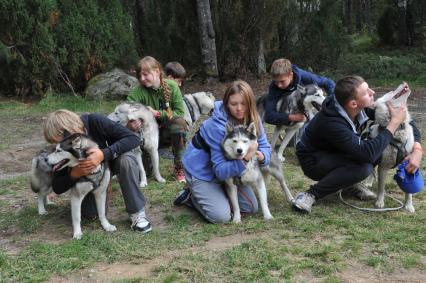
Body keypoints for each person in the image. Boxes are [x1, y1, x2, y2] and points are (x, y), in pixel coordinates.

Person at [293, 75, 423, 213]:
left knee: (374, 148)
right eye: (367, 92)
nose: (372, 93)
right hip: (313, 159)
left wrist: (417, 149)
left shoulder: (357, 104)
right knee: (364, 167)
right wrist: (394, 123)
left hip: (338, 150)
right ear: (354, 104)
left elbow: (406, 120)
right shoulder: (332, 122)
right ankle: (311, 194)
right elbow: (367, 153)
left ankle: (349, 184)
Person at [175, 80, 272, 223]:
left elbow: (264, 146)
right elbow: (220, 171)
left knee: (250, 208)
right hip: (203, 172)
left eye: (243, 103)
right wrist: (246, 158)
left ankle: (218, 194)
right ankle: (190, 196)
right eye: (234, 104)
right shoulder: (217, 126)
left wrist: (261, 155)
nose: (239, 108)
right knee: (221, 217)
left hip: (231, 170)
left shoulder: (254, 118)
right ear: (226, 103)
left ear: (250, 103)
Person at [43, 109, 152, 233]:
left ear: (70, 131)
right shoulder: (62, 149)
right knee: (90, 215)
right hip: (89, 177)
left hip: (113, 162)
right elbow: (57, 187)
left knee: (126, 160)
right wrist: (74, 174)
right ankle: (103, 187)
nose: (57, 146)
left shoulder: (95, 121)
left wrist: (104, 154)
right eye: (54, 144)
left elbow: (133, 138)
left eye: (58, 141)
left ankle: (137, 212)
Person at [127, 56, 188, 183]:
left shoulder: (171, 86)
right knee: (147, 174)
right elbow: (126, 109)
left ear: (157, 71)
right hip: (146, 137)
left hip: (166, 134)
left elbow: (179, 112)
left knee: (179, 123)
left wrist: (157, 113)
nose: (142, 79)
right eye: (140, 76)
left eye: (145, 74)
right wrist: (133, 122)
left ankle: (179, 166)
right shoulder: (138, 92)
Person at [263, 58, 335, 127]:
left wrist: (330, 102)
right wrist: (291, 117)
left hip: (306, 109)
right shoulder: (274, 88)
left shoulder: (303, 75)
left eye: (282, 81)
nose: (279, 85)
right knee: (297, 124)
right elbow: (269, 116)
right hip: (287, 112)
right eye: (275, 82)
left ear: (290, 75)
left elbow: (328, 83)